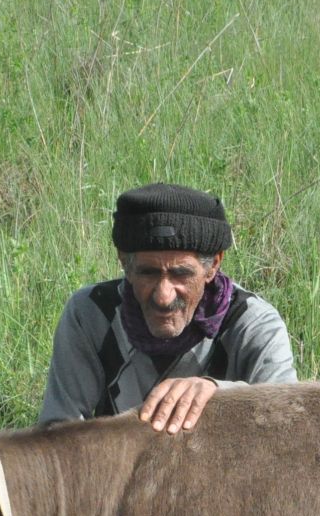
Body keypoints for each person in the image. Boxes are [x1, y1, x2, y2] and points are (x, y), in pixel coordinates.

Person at [38, 183, 297, 432]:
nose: (163, 297)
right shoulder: (92, 314)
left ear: (213, 265)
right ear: (123, 262)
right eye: (148, 273)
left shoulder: (253, 323)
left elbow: (287, 423)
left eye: (181, 274)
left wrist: (220, 393)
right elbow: (58, 433)